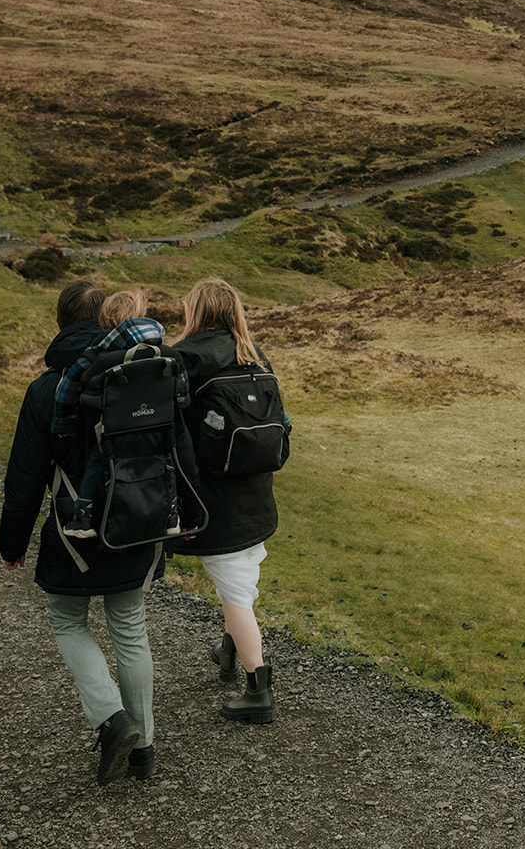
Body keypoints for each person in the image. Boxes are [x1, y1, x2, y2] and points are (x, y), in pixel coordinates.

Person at [0, 279, 162, 784]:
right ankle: (145, 750)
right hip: (140, 520)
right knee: (130, 626)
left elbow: (26, 476)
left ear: (62, 321)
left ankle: (113, 721)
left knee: (67, 619)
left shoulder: (48, 387)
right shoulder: (145, 370)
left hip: (76, 532)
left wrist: (12, 543)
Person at [171, 277, 283, 723]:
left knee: (236, 592)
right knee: (238, 577)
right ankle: (228, 650)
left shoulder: (184, 360)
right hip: (256, 491)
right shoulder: (256, 357)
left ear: (194, 311)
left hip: (213, 496)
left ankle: (259, 691)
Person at [53, 288, 183, 539]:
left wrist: (63, 425)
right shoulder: (166, 356)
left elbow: (65, 390)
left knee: (95, 460)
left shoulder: (92, 357)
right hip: (155, 427)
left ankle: (84, 517)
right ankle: (171, 514)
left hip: (113, 431)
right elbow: (182, 394)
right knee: (166, 458)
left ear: (104, 321)